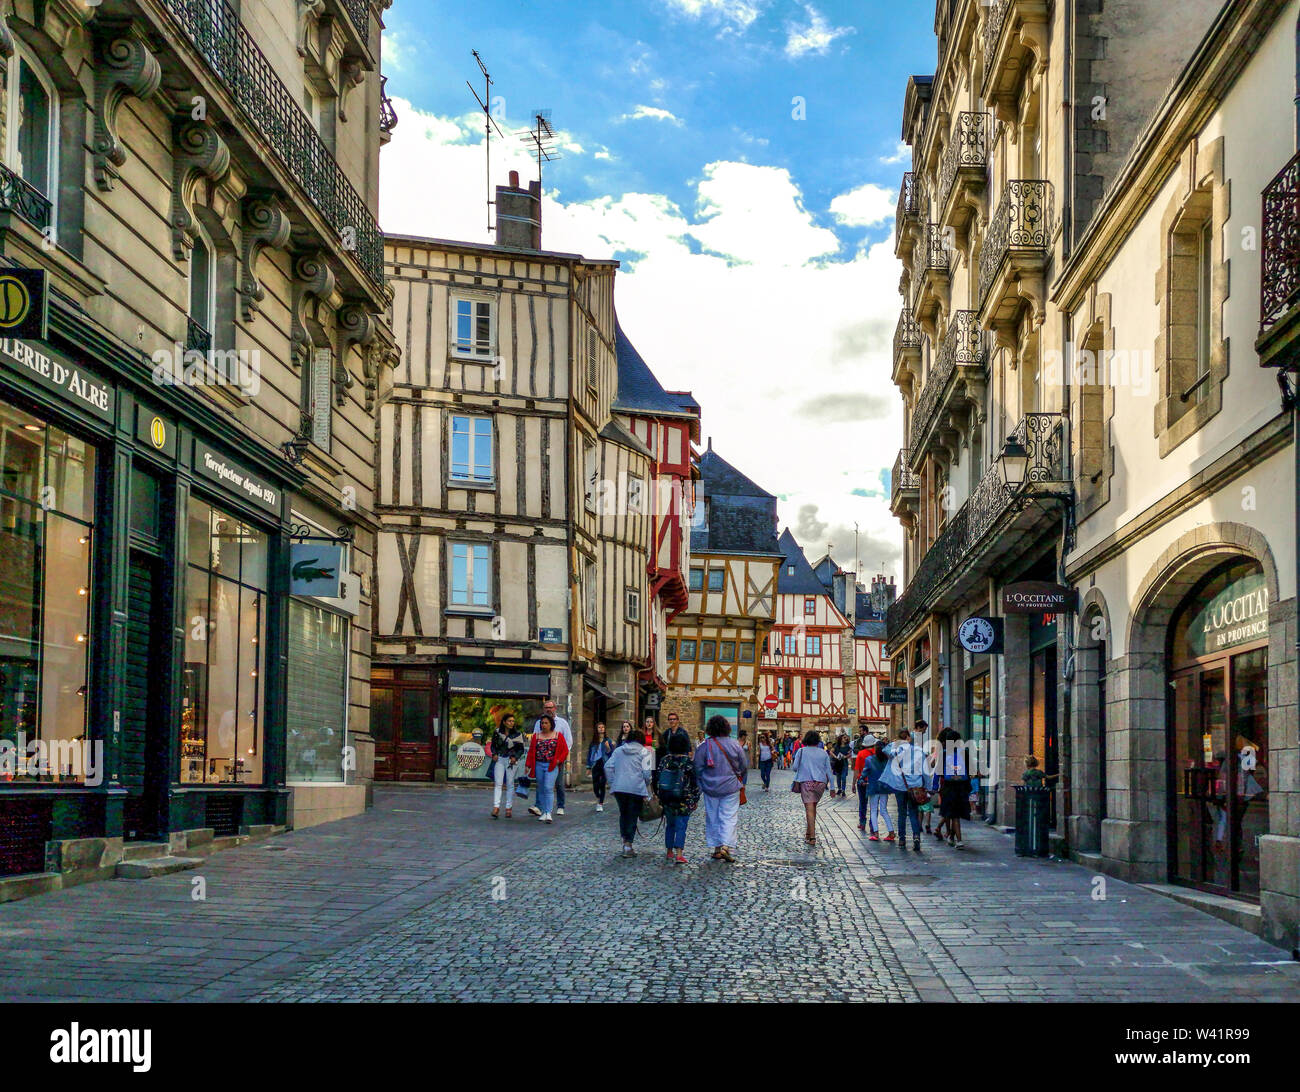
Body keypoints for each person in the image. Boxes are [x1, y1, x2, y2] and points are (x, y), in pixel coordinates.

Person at [693, 714, 748, 862]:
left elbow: (697, 767)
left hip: (710, 787)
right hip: (730, 786)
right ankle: (726, 847)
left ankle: (717, 848)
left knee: (713, 816)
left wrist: (702, 782)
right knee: (729, 816)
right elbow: (743, 765)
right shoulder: (735, 744)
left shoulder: (704, 746)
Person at [605, 726, 652, 857]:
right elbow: (647, 774)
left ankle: (625, 840)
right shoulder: (646, 752)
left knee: (623, 814)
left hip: (620, 787)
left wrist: (613, 782)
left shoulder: (619, 750)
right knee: (632, 816)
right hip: (636, 788)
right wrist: (645, 785)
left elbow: (608, 766)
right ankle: (628, 844)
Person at [657, 720, 698, 863]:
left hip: (667, 797)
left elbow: (658, 778)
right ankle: (679, 853)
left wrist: (659, 796)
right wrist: (695, 800)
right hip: (684, 798)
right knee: (681, 825)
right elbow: (695, 783)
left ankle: (669, 851)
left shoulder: (664, 760)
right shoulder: (688, 762)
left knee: (670, 824)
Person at [880, 729, 927, 852]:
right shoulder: (918, 751)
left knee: (901, 813)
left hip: (900, 786)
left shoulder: (895, 750)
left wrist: (894, 743)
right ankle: (916, 836)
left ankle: (902, 839)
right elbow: (925, 771)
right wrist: (928, 786)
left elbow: (884, 749)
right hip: (915, 786)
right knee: (913, 812)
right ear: (909, 738)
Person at [524, 714, 568, 824]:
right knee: (542, 787)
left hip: (551, 765)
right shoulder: (536, 736)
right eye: (542, 723)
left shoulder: (558, 735)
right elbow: (531, 752)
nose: (544, 725)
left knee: (548, 787)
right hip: (539, 764)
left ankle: (548, 812)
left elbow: (565, 750)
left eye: (546, 723)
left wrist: (558, 760)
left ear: (551, 724)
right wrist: (528, 765)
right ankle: (543, 811)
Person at [791, 730, 832, 846]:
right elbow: (829, 771)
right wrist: (832, 787)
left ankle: (812, 838)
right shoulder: (823, 753)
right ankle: (808, 833)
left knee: (809, 809)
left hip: (807, 783)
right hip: (820, 783)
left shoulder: (802, 751)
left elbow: (794, 768)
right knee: (813, 807)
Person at [532, 699, 572, 816]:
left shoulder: (562, 723)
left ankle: (560, 805)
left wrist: (562, 757)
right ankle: (539, 806)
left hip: (557, 759)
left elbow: (568, 741)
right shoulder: (539, 723)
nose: (548, 710)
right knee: (541, 783)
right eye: (546, 708)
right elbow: (535, 738)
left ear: (555, 709)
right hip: (541, 759)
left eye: (550, 707)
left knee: (558, 783)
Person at [936, 727, 974, 849]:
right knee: (955, 814)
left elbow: (939, 772)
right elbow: (971, 770)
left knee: (951, 814)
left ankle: (956, 839)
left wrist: (935, 786)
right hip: (962, 788)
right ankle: (954, 838)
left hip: (948, 787)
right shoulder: (965, 753)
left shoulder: (944, 754)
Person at [490, 712, 526, 819]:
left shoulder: (517, 734)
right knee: (498, 783)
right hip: (500, 758)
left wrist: (515, 757)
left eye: (513, 721)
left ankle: (508, 808)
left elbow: (520, 749)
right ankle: (496, 807)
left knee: (510, 783)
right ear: (504, 722)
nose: (511, 723)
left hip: (511, 760)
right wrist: (494, 753)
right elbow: (493, 745)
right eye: (509, 721)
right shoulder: (497, 732)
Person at [858, 742, 896, 842]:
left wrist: (861, 781)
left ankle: (875, 833)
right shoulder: (888, 760)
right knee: (884, 810)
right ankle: (891, 832)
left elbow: (864, 773)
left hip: (873, 787)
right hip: (884, 787)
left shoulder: (869, 760)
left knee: (873, 810)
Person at [587, 722, 614, 813]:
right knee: (595, 785)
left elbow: (611, 754)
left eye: (603, 727)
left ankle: (600, 803)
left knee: (602, 784)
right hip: (595, 764)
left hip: (604, 763)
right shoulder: (593, 742)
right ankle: (598, 796)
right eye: (599, 727)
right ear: (596, 729)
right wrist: (588, 767)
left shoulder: (608, 740)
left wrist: (608, 747)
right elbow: (589, 754)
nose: (601, 729)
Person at [830, 732, 852, 797]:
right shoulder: (837, 746)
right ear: (841, 739)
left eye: (846, 737)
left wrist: (846, 756)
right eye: (844, 737)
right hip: (838, 763)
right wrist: (835, 757)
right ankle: (839, 789)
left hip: (844, 763)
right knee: (838, 777)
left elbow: (850, 753)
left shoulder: (848, 746)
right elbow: (831, 752)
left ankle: (843, 790)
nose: (846, 739)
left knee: (843, 777)